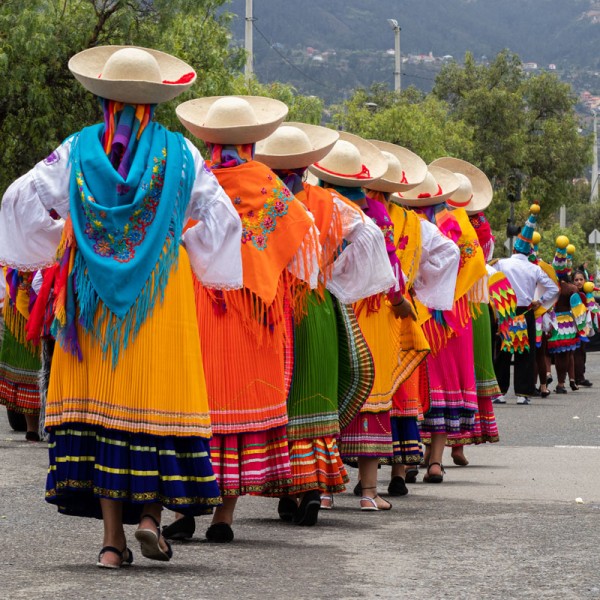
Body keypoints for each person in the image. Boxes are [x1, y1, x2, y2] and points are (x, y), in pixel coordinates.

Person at [0, 45, 243, 568]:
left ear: (104, 99)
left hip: (93, 299)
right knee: (152, 406)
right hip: (161, 294)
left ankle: (112, 544)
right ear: (153, 103)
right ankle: (151, 521)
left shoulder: (76, 150)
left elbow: (19, 199)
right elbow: (222, 217)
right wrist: (185, 248)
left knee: (104, 411)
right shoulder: (183, 154)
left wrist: (62, 235)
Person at [174, 95, 321, 540]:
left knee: (193, 402)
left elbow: (172, 233)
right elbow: (302, 231)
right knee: (239, 403)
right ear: (253, 142)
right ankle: (223, 517)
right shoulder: (267, 184)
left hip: (197, 300)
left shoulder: (193, 180)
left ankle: (183, 513)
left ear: (209, 140)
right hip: (253, 310)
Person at [254, 123, 397, 519]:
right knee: (316, 395)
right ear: (307, 165)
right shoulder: (331, 204)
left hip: (277, 308)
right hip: (318, 306)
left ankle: (289, 485)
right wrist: (334, 271)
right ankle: (315, 483)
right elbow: (369, 237)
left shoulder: (265, 198)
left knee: (281, 396)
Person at [308, 132, 413, 510]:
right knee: (372, 393)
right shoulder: (375, 214)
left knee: (326, 392)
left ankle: (322, 488)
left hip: (324, 305)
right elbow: (389, 268)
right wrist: (400, 302)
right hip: (370, 310)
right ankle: (368, 492)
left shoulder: (311, 202)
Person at [430, 156, 502, 463]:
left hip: (436, 303)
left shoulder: (436, 222)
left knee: (435, 374)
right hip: (472, 307)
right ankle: (457, 443)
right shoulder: (481, 233)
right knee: (464, 372)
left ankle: (426, 450)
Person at [491, 204, 558, 405]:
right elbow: (554, 289)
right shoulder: (534, 269)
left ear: (513, 248)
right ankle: (522, 394)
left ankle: (499, 393)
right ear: (530, 250)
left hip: (505, 311)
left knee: (503, 352)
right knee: (524, 354)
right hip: (526, 311)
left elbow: (488, 279)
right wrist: (540, 301)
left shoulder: (501, 264)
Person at [0, 268, 42, 441]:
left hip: (22, 292)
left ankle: (33, 427)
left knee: (28, 360)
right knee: (29, 360)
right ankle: (33, 426)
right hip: (22, 294)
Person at [547, 238, 582, 393]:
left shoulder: (549, 286)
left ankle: (546, 380)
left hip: (552, 321)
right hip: (567, 323)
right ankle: (562, 383)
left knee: (547, 353)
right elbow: (578, 311)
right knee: (566, 354)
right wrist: (582, 326)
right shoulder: (572, 289)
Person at [573, 270, 594, 387]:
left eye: (581, 279)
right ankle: (576, 377)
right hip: (573, 326)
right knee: (576, 351)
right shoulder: (573, 293)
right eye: (576, 280)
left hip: (585, 325)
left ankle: (580, 376)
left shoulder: (587, 293)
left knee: (582, 351)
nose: (579, 282)